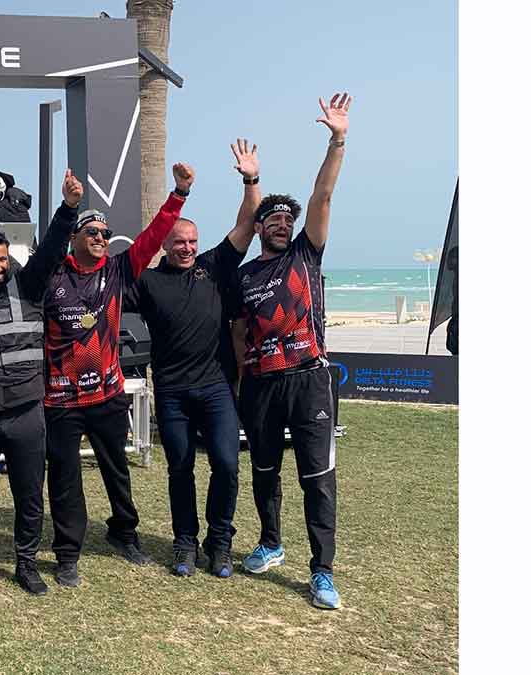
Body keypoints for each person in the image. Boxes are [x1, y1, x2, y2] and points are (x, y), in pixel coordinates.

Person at [42, 162, 194, 587]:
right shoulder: (52, 273)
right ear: (75, 237)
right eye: (92, 232)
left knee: (117, 471)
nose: (101, 239)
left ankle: (124, 533)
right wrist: (68, 208)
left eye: (106, 234)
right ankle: (67, 553)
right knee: (65, 479)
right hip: (61, 400)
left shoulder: (117, 271)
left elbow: (152, 238)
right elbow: (49, 245)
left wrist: (179, 194)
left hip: (107, 396)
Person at [231, 92, 352, 610]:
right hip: (261, 384)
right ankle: (271, 543)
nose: (281, 224)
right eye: (272, 219)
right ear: (259, 227)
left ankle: (322, 571)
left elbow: (322, 196)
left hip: (309, 379)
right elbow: (239, 337)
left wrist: (337, 140)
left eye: (287, 219)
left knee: (317, 478)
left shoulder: (306, 253)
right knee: (264, 472)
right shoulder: (243, 276)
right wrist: (240, 385)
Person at [123, 140, 260, 580]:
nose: (187, 248)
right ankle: (185, 541)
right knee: (180, 469)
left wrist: (251, 179)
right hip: (172, 391)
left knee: (227, 464)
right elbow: (107, 292)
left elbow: (247, 224)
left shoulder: (213, 266)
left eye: (192, 242)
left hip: (216, 387)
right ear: (165, 244)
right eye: (180, 242)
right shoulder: (147, 282)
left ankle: (220, 542)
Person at [0, 168, 83, 598]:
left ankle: (26, 564)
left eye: (2, 259)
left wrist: (68, 209)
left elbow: (51, 250)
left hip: (26, 413)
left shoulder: (28, 286)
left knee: (29, 495)